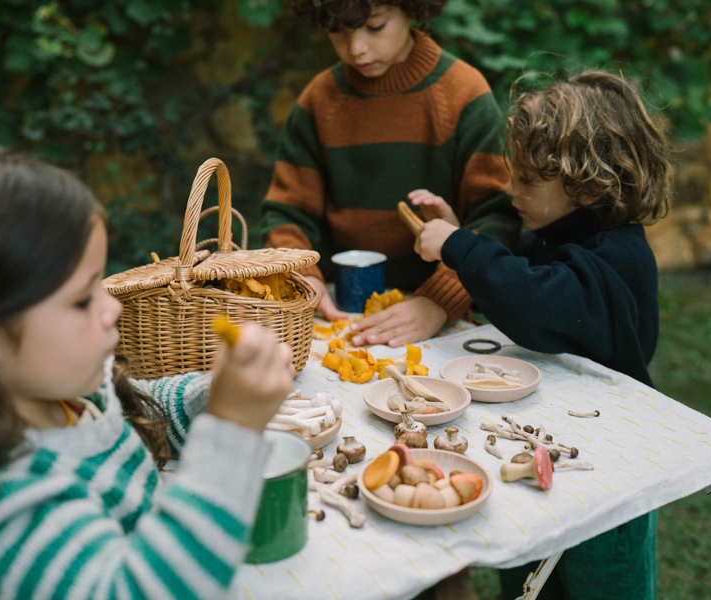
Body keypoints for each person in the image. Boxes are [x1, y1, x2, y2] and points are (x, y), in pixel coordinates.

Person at [0, 145, 295, 600]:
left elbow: (145, 408)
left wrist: (211, 396)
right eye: (82, 300)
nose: (112, 307)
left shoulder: (67, 392)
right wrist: (232, 429)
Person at [414, 71, 673, 599]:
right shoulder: (561, 234)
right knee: (528, 580)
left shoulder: (620, 256)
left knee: (602, 585)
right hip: (550, 455)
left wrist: (460, 247)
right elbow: (514, 285)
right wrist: (458, 232)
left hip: (608, 479)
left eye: (528, 182)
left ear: (589, 185)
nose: (512, 193)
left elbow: (536, 300)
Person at [260, 0, 521, 347]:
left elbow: (496, 220)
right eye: (338, 32)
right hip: (338, 313)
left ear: (412, 10)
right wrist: (302, 277)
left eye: (376, 27)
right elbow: (286, 213)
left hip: (444, 320)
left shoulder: (463, 93)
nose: (357, 49)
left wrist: (437, 302)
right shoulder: (319, 101)